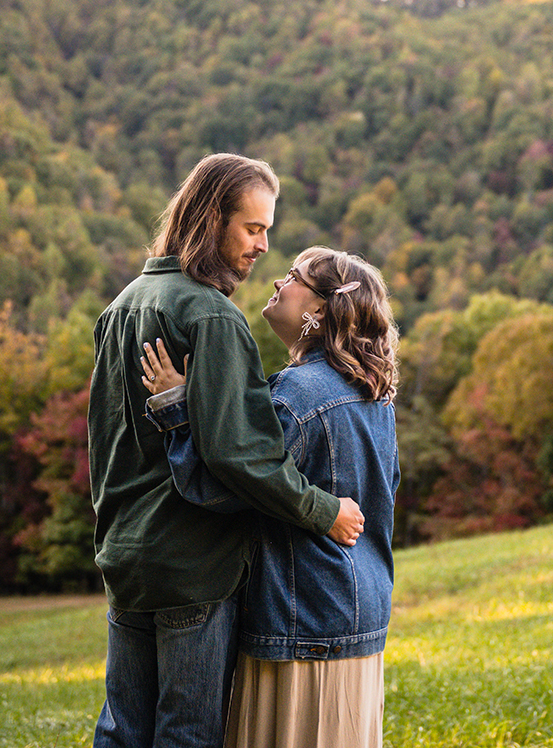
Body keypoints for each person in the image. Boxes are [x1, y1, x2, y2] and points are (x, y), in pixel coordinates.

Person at [87, 154, 366, 748]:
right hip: (192, 567)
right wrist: (325, 510)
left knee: (122, 734)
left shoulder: (120, 307)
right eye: (253, 227)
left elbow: (103, 445)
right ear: (213, 219)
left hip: (125, 557)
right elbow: (244, 458)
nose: (264, 245)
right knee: (187, 737)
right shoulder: (211, 316)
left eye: (267, 229)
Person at [140, 246, 400, 748]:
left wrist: (177, 409)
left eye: (294, 277)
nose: (279, 283)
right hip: (360, 613)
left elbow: (220, 487)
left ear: (320, 310)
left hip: (301, 622)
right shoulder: (374, 395)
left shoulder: (293, 396)